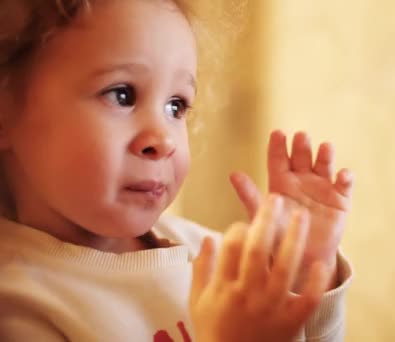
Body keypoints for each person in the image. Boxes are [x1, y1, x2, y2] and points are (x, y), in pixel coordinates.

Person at [0, 1, 354, 341]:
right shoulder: (19, 306)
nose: (163, 140)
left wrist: (305, 278)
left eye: (176, 105)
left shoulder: (206, 252)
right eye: (122, 95)